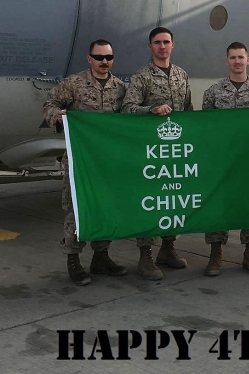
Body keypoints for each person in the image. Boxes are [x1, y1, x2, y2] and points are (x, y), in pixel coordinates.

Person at [43, 39, 128, 286]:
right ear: (89, 58)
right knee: (76, 208)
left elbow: (128, 117)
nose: (104, 62)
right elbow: (50, 104)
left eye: (108, 57)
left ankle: (101, 256)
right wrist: (57, 117)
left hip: (107, 160)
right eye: (99, 57)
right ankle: (73, 259)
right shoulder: (74, 84)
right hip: (80, 160)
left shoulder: (120, 88)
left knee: (105, 206)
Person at [122, 26, 193, 280]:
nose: (162, 46)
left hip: (175, 150)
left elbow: (188, 110)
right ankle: (146, 256)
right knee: (151, 201)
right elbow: (127, 108)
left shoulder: (182, 75)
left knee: (173, 199)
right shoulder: (142, 76)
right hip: (150, 150)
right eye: (157, 42)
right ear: (150, 46)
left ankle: (168, 248)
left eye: (166, 42)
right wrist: (150, 110)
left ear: (173, 45)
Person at [201, 42, 249, 277]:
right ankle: (215, 255)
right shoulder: (213, 92)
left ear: (247, 60)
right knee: (218, 204)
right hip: (222, 160)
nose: (237, 61)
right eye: (233, 57)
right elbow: (205, 127)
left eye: (240, 57)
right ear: (227, 61)